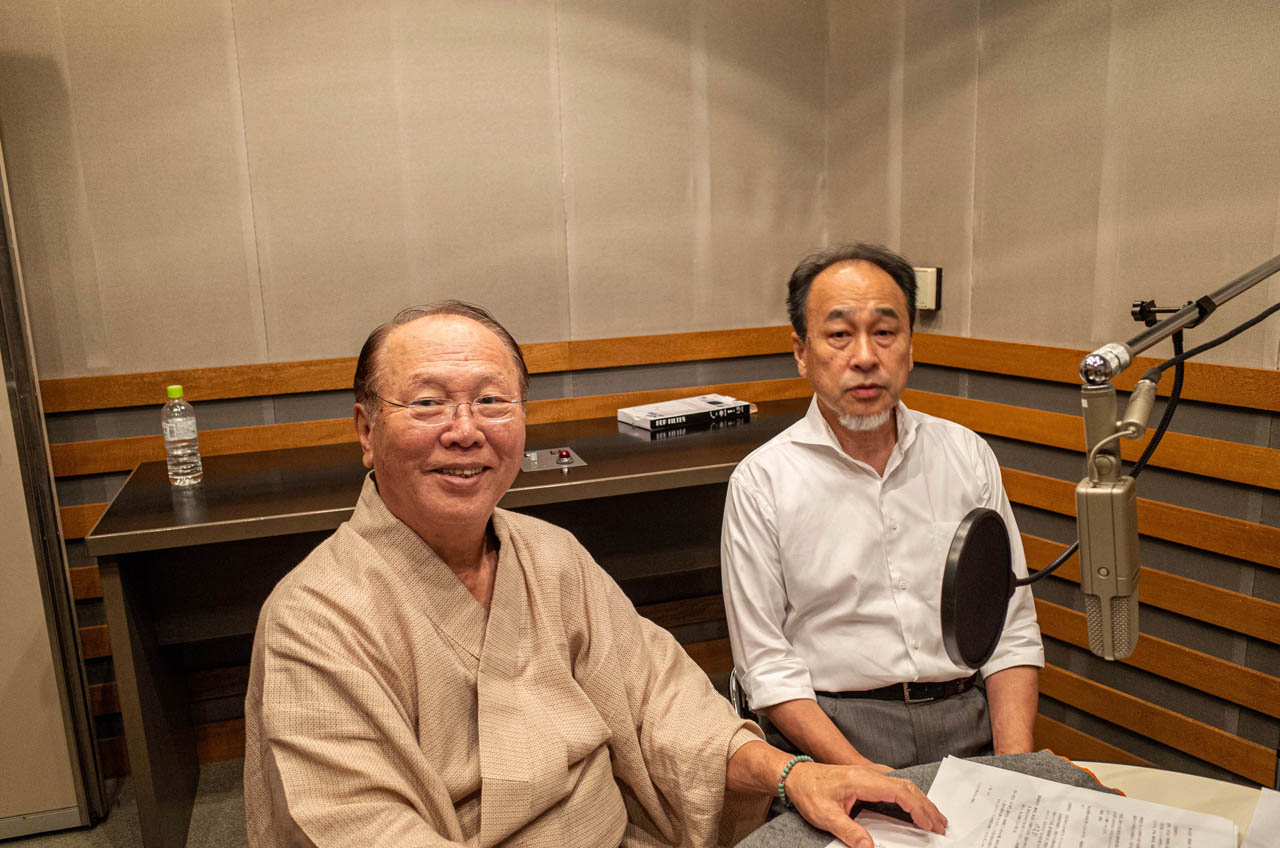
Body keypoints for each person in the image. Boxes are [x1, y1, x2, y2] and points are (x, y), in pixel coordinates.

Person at [244, 300, 947, 848]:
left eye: (491, 401)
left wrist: (793, 773)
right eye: (427, 402)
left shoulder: (550, 555)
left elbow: (661, 703)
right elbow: (360, 827)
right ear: (366, 430)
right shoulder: (316, 619)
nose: (465, 429)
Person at [721, 244, 1044, 772]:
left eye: (885, 332)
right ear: (801, 352)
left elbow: (1011, 629)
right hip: (835, 731)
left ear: (910, 347)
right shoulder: (762, 482)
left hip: (969, 719)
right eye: (839, 334)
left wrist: (1016, 768)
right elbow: (767, 666)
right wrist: (860, 775)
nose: (865, 356)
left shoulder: (966, 455)